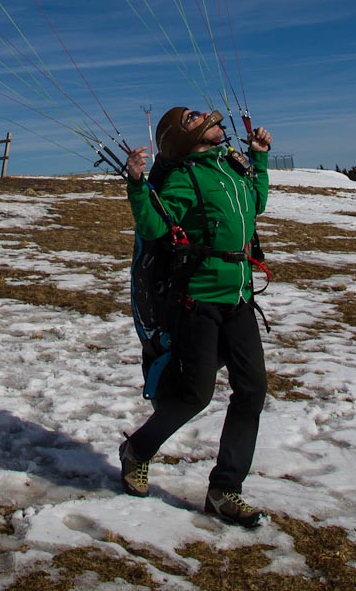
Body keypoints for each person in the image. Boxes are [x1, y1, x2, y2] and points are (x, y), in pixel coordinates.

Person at [121, 106, 272, 527]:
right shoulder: (184, 178)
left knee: (252, 390)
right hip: (199, 301)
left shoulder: (232, 168)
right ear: (184, 139)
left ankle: (225, 490)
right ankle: (137, 450)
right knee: (195, 395)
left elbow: (257, 202)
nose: (205, 115)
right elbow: (155, 227)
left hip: (239, 298)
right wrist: (136, 185)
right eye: (191, 118)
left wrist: (259, 159)